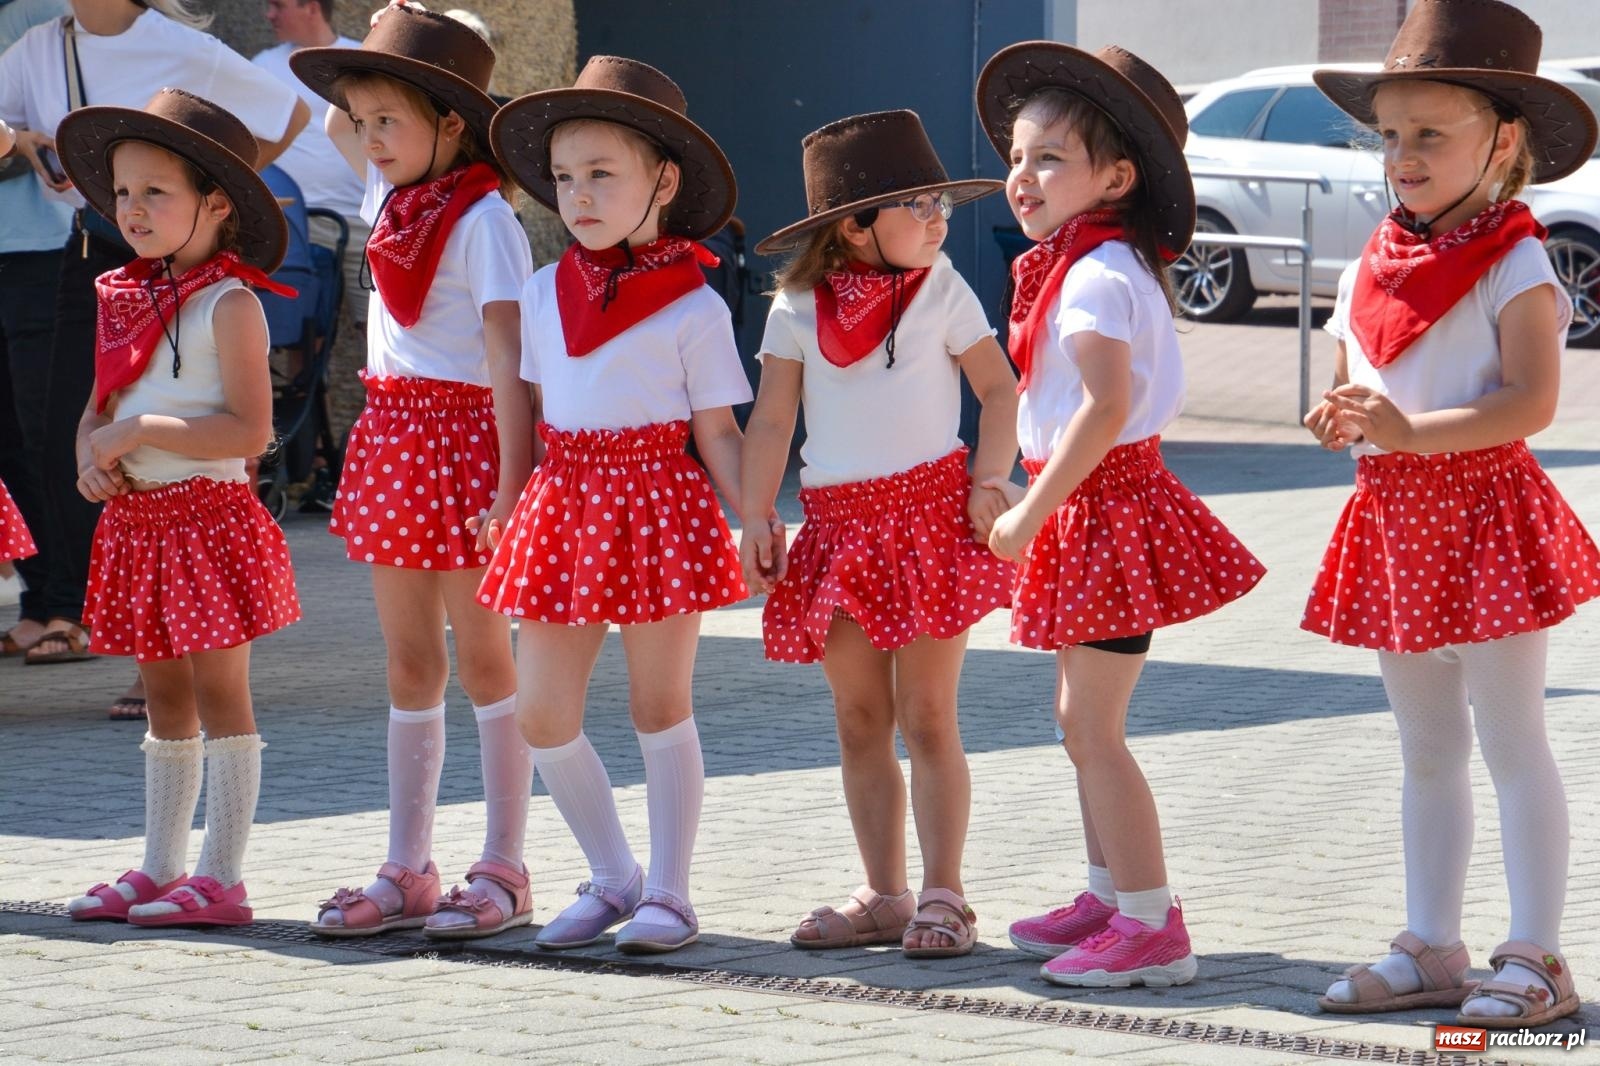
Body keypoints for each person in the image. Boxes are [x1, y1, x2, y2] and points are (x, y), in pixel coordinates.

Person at [1304, 0, 1600, 1028]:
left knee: (1513, 739)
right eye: (1390, 135)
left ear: (1502, 140)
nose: (1404, 156)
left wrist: (1408, 429)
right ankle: (1431, 944)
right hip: (1393, 523)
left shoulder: (1518, 260)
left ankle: (1537, 957)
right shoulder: (1363, 265)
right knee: (1425, 749)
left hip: (1482, 523)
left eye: (1431, 133)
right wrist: (1338, 414)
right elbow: (1358, 378)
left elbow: (1530, 401)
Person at [974, 41, 1267, 987]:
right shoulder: (1089, 263)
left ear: (1117, 175)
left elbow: (1104, 407)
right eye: (1018, 157)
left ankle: (1149, 925)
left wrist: (1027, 513)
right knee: (1078, 720)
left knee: (1093, 730)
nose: (1025, 176)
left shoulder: (1095, 275)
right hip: (1094, 506)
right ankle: (1111, 895)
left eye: (1050, 158)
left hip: (1104, 510)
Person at [479, 55, 750, 954]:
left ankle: (670, 893)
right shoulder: (539, 294)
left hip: (658, 503)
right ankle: (614, 877)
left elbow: (718, 434)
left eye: (602, 174)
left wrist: (753, 516)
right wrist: (506, 501)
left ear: (663, 181)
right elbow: (526, 410)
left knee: (657, 703)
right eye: (564, 177)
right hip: (563, 503)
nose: (578, 195)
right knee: (541, 713)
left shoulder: (695, 306)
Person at [741, 110, 1017, 958]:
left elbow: (1000, 393)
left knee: (927, 713)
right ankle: (886, 895)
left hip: (931, 522)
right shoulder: (793, 308)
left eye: (941, 202)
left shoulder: (942, 289)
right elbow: (774, 419)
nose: (939, 219)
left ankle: (946, 895)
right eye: (918, 204)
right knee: (860, 717)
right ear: (856, 225)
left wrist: (992, 482)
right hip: (838, 530)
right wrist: (755, 512)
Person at [291, 3, 536, 941]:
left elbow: (510, 362)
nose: (367, 138)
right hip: (393, 439)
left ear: (451, 125)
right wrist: (389, 32)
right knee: (408, 661)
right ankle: (410, 865)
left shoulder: (482, 220)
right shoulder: (390, 195)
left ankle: (505, 865)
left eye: (387, 120)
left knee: (483, 658)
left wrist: (512, 490)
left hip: (468, 443)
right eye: (364, 123)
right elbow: (330, 111)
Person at [0, 0, 307, 736]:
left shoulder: (176, 44)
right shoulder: (41, 44)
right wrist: (18, 140)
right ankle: (99, 621)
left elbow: (288, 112)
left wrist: (213, 204)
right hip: (93, 256)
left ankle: (164, 653)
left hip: (174, 253)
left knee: (182, 419)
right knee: (68, 423)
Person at [54, 88, 301, 926]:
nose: (132, 209)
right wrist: (94, 455)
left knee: (220, 695)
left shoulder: (230, 303)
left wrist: (140, 430)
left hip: (207, 516)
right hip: (137, 522)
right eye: (123, 193)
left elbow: (251, 428)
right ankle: (160, 866)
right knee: (162, 698)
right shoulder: (121, 294)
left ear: (216, 203)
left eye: (156, 191)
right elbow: (98, 409)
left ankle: (222, 876)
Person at [253, 0, 370, 326]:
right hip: (298, 224)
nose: (269, 14)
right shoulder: (264, 66)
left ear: (311, 7)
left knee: (379, 330)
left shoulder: (360, 59)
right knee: (302, 330)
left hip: (366, 223)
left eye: (278, 5)